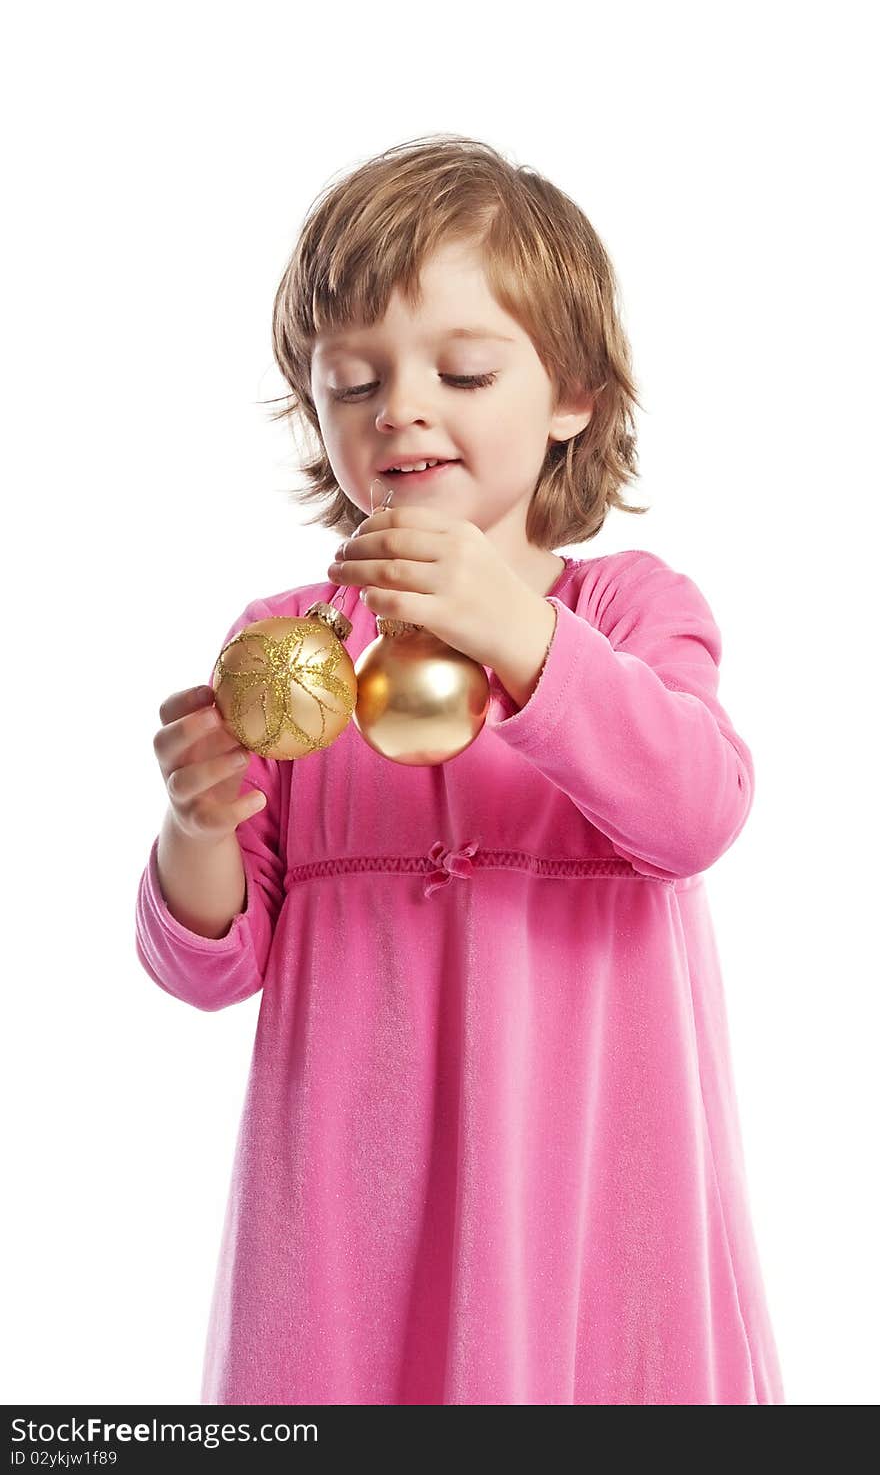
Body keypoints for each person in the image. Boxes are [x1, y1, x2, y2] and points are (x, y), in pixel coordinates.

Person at [135, 134, 785, 1405]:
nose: (400, 408)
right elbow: (205, 961)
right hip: (347, 1219)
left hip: (594, 1201)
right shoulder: (291, 641)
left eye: (463, 368)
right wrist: (194, 823)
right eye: (351, 380)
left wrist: (518, 632)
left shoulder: (627, 612)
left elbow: (695, 809)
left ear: (574, 399)